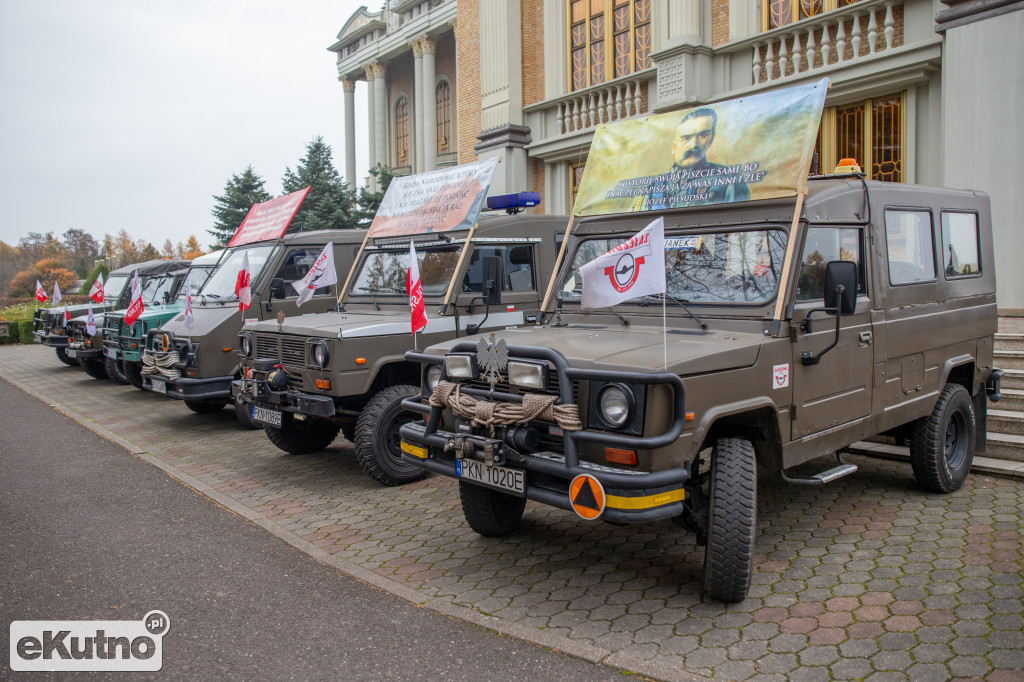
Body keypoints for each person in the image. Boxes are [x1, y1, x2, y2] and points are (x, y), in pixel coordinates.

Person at [645, 108, 750, 209]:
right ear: (673, 147)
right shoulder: (655, 187)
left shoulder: (729, 181)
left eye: (703, 135)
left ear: (711, 140)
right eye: (686, 138)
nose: (694, 145)